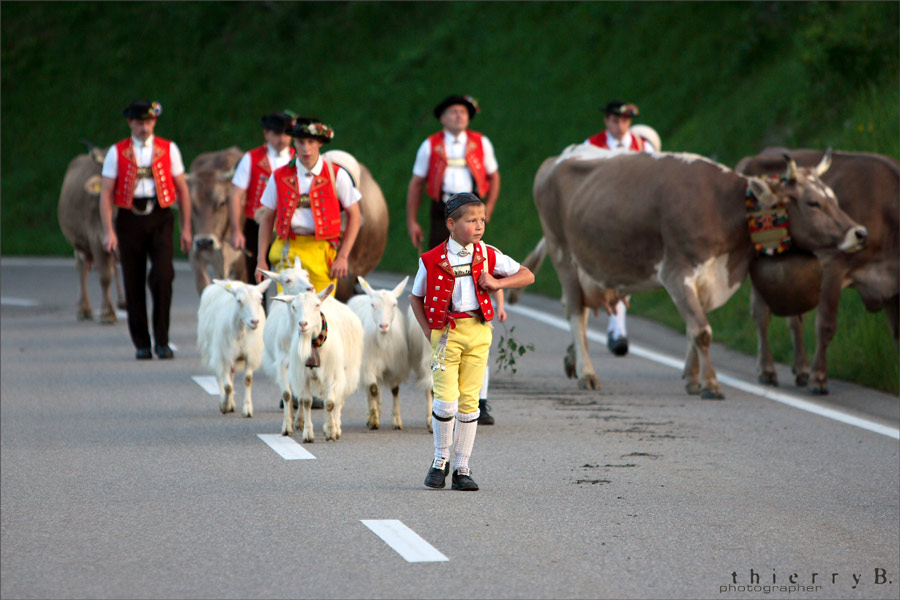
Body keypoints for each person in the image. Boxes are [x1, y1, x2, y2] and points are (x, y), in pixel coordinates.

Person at [410, 193, 534, 491]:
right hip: (446, 333)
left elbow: (526, 275)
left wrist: (498, 283)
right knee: (445, 399)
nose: (479, 226)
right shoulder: (431, 259)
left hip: (478, 332)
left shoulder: (489, 254)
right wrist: (429, 332)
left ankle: (462, 467)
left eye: (482, 220)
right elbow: (416, 297)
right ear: (451, 224)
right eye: (471, 220)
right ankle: (440, 460)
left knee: (469, 402)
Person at [100, 100, 192, 360]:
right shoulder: (116, 152)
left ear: (155, 122)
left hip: (160, 216)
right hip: (129, 219)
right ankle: (142, 342)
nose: (144, 126)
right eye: (139, 122)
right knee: (133, 279)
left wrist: (186, 228)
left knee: (163, 276)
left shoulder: (168, 149)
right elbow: (106, 192)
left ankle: (162, 341)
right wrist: (109, 231)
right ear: (130, 123)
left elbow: (182, 189)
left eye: (149, 121)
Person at [255, 117, 361, 295]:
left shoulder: (337, 175)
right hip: (288, 249)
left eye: (311, 142)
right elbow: (267, 217)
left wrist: (343, 256)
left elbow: (355, 216)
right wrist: (261, 260)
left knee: (321, 311)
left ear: (320, 142)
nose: (306, 148)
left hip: (322, 252)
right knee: (289, 310)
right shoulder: (279, 176)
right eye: (301, 142)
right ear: (294, 142)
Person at [585, 99, 656, 357]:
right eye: (615, 120)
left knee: (624, 270)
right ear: (606, 121)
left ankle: (618, 328)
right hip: (599, 217)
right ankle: (586, 331)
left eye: (625, 121)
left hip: (630, 219)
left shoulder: (643, 147)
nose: (621, 125)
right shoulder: (591, 146)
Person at [406, 95, 501, 252]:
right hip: (442, 209)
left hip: (473, 207)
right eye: (454, 112)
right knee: (439, 255)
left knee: (475, 255)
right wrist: (412, 222)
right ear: (443, 118)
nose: (459, 116)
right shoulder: (430, 145)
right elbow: (416, 184)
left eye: (463, 112)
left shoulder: (481, 142)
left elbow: (494, 176)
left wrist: (488, 208)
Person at [229, 111, 296, 281]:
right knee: (256, 278)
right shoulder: (251, 158)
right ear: (266, 133)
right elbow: (236, 195)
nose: (282, 139)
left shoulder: (298, 159)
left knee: (290, 278)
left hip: (289, 226)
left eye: (286, 134)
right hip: (256, 224)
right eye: (276, 134)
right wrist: (236, 230)